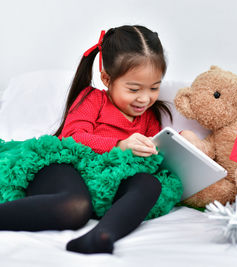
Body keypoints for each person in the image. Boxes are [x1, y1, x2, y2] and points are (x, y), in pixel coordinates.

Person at [0, 25, 175, 254]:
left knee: (150, 183)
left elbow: (154, 150)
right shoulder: (93, 99)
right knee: (75, 207)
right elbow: (73, 137)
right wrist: (120, 145)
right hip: (67, 167)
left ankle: (102, 235)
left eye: (154, 88)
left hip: (109, 181)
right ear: (106, 78)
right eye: (133, 89)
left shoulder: (150, 116)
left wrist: (184, 141)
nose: (144, 98)